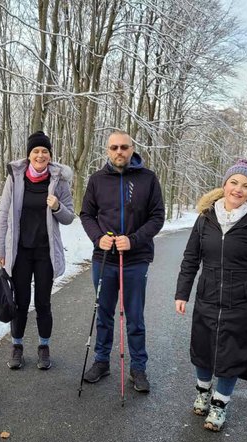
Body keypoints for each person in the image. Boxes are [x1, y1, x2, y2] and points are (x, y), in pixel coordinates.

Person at [174, 159, 247, 431]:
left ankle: (219, 406)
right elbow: (190, 259)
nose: (238, 189)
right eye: (234, 182)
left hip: (243, 302)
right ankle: (202, 391)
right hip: (208, 296)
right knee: (203, 348)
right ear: (224, 185)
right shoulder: (205, 219)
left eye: (246, 186)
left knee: (232, 355)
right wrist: (182, 293)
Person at [80, 130, 165, 392]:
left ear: (132, 149)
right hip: (104, 258)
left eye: (124, 147)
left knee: (135, 317)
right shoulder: (96, 180)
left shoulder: (148, 179)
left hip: (135, 259)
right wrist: (98, 238)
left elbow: (157, 217)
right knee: (104, 313)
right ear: (107, 151)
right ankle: (101, 361)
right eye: (114, 147)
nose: (119, 152)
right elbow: (86, 214)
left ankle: (138, 367)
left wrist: (135, 239)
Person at [0, 131, 75, 370]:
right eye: (36, 151)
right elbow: (3, 215)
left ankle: (43, 347)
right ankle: (17, 347)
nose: (40, 155)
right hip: (19, 252)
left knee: (43, 303)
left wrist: (57, 206)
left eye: (44, 151)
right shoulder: (15, 178)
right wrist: (0, 249)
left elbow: (70, 216)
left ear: (50, 155)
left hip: (44, 253)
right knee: (20, 302)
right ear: (29, 155)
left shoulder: (59, 181)